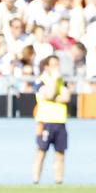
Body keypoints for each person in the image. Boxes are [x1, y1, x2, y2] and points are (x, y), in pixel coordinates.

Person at [32, 55, 70, 185]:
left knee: (60, 153)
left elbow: (66, 97)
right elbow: (49, 94)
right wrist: (54, 82)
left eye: (57, 65)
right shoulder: (40, 81)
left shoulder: (61, 80)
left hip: (60, 120)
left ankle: (59, 180)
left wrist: (54, 97)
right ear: (46, 67)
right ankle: (36, 179)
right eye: (53, 65)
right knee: (41, 151)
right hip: (45, 121)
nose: (56, 68)